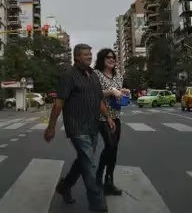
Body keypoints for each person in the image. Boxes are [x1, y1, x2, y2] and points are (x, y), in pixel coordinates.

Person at [45, 44, 115, 213]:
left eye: (90, 54)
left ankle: (64, 186)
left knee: (84, 160)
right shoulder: (68, 76)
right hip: (76, 127)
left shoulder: (93, 75)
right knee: (89, 165)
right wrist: (51, 127)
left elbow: (99, 100)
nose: (89, 57)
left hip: (93, 125)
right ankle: (98, 205)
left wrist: (108, 117)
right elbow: (58, 103)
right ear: (76, 57)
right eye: (85, 55)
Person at [93, 48, 130, 195]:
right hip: (102, 116)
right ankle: (98, 177)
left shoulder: (118, 75)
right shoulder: (96, 75)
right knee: (110, 145)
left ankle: (109, 181)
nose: (112, 59)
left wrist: (124, 91)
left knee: (113, 150)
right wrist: (110, 92)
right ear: (102, 59)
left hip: (116, 115)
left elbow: (119, 91)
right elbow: (94, 94)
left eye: (113, 57)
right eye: (108, 57)